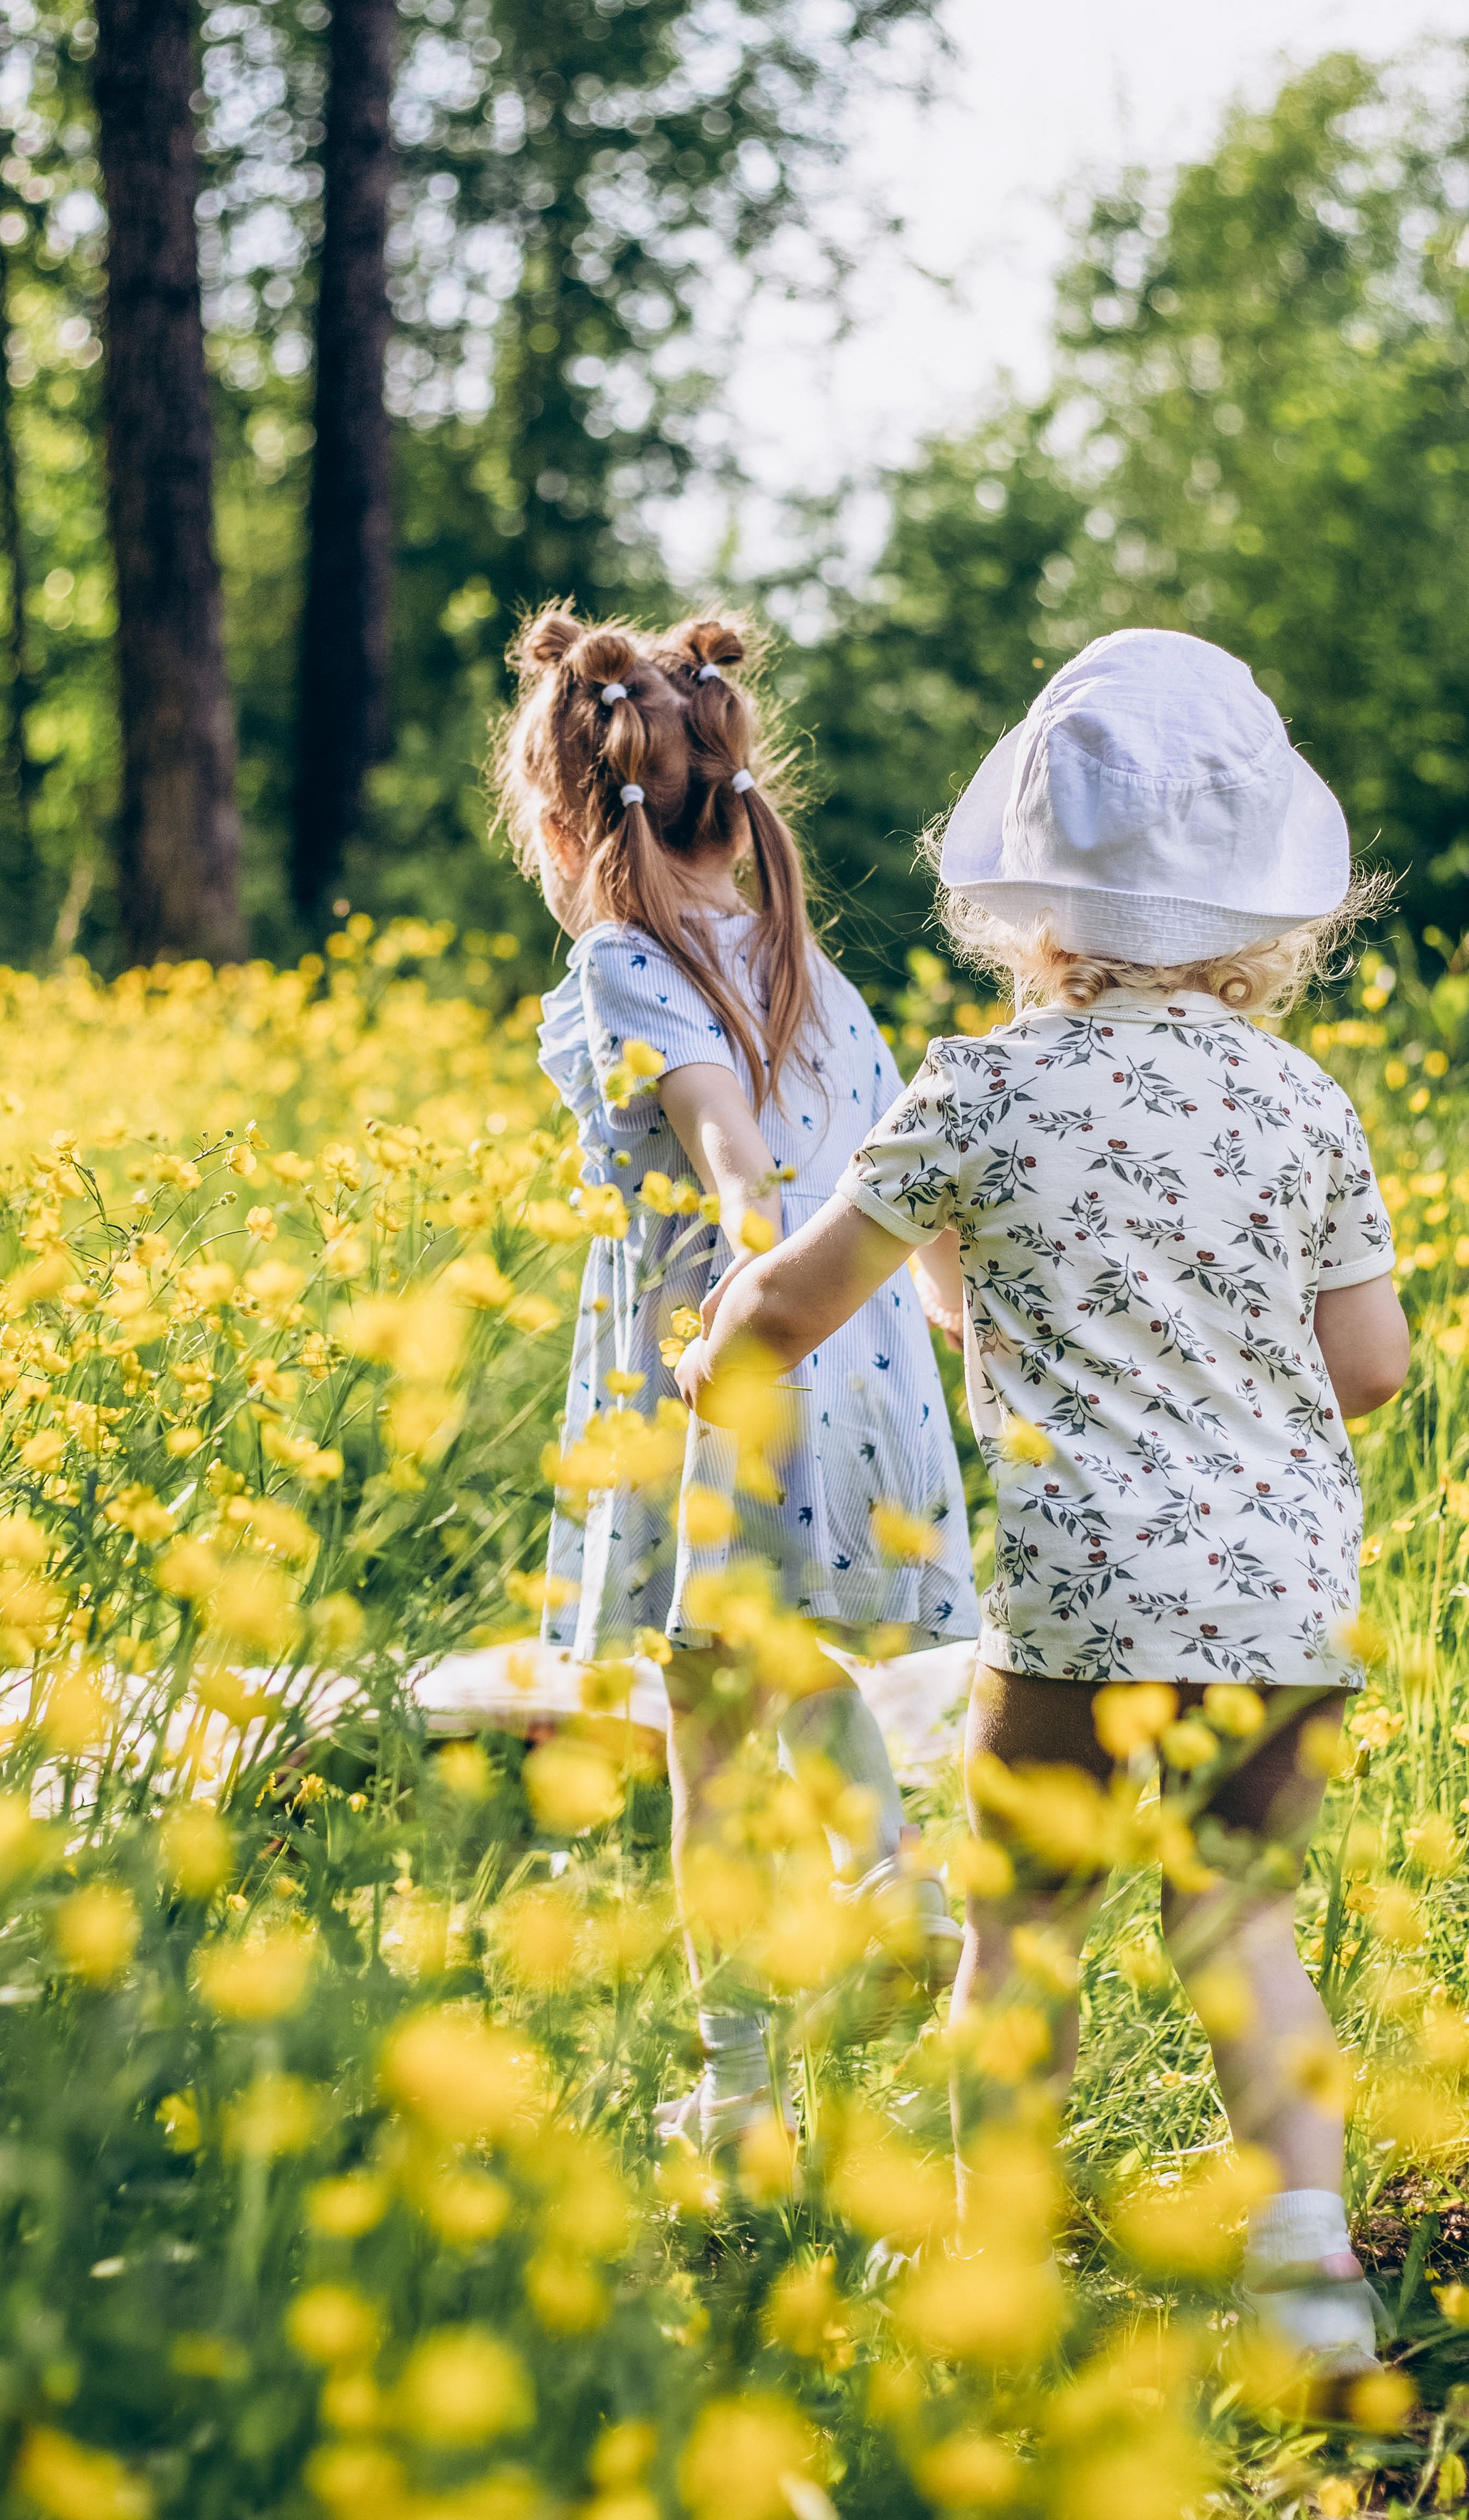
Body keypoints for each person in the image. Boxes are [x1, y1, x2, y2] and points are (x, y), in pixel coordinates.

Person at [675, 627, 1406, 2375]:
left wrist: (713, 1351)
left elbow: (796, 1305)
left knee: (1016, 1932)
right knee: (1241, 1923)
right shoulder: (1299, 1100)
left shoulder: (981, 1086)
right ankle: (1308, 2281)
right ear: (1262, 908)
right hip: (1275, 1593)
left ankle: (990, 2266)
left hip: (1077, 1593)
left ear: (1025, 899)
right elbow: (1368, 1365)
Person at [491, 602, 978, 2149]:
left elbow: (736, 1163)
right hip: (857, 1357)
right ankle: (885, 1878)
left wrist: (728, 1330)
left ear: (562, 826)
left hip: (736, 1360)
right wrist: (962, 1331)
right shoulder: (806, 966)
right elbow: (911, 1187)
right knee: (768, 1662)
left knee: (705, 1736)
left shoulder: (623, 963)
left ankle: (739, 2093)